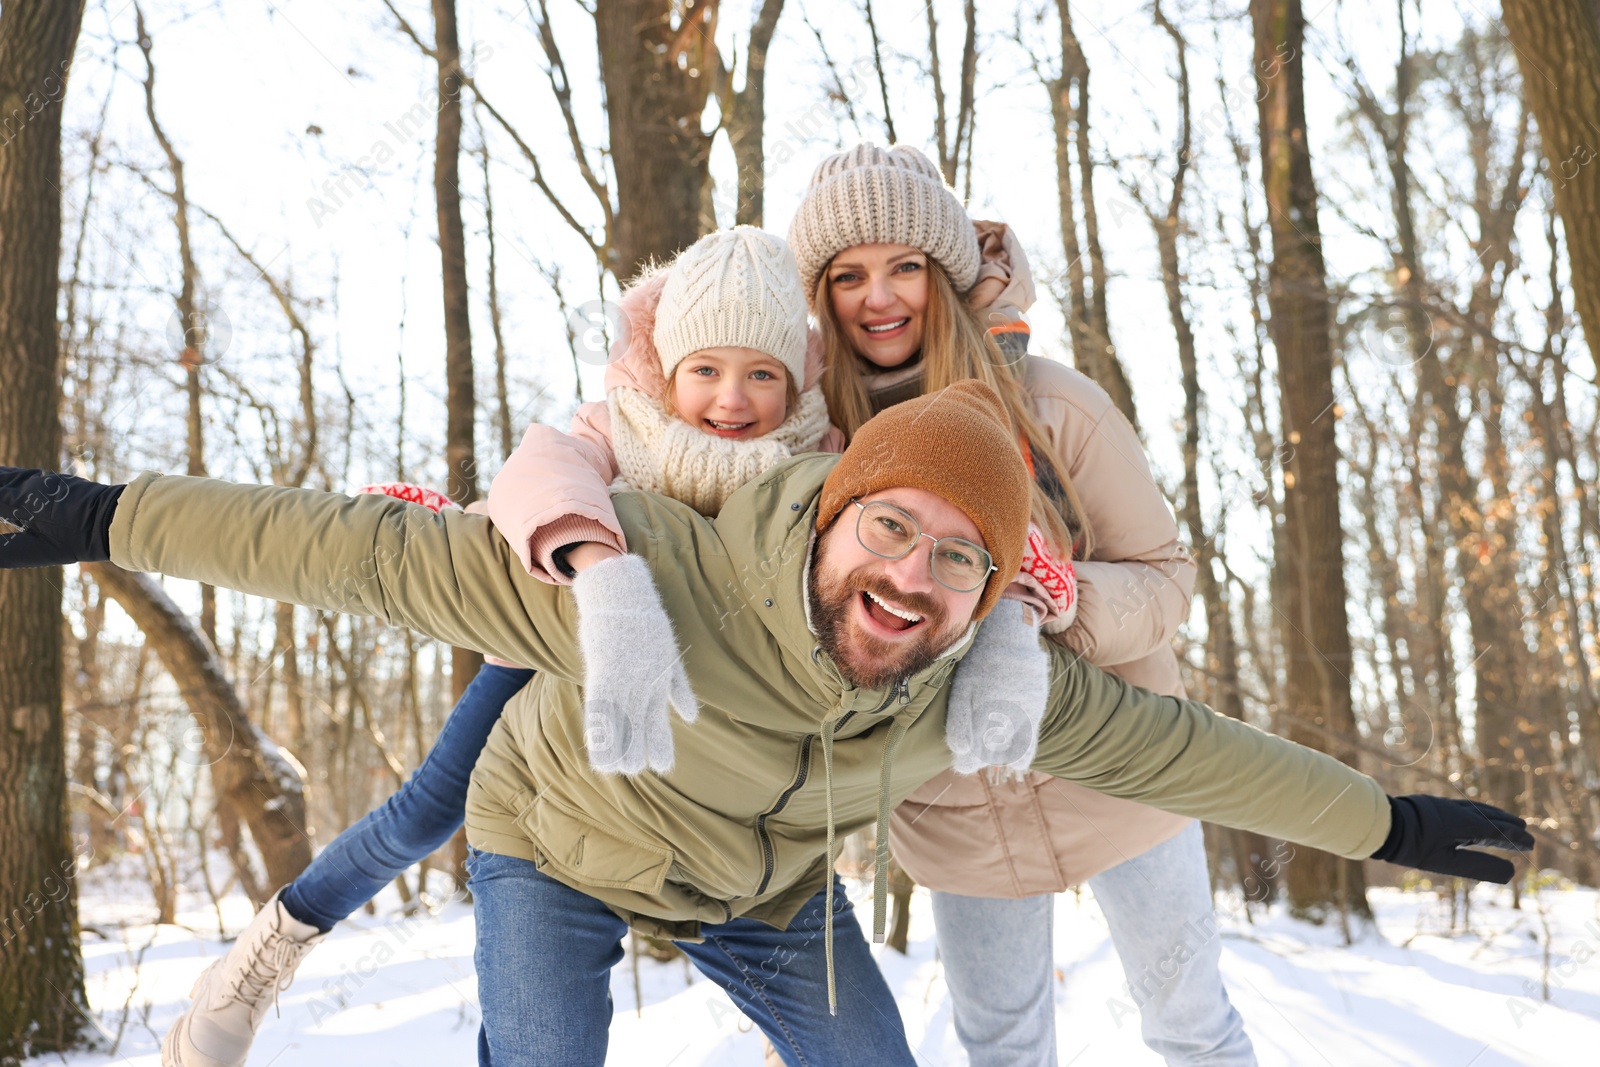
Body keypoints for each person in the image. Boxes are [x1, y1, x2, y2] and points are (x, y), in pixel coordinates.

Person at [0, 380, 1531, 1067]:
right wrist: (99, 513)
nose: (910, 577)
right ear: (834, 511)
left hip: (761, 895)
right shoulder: (653, 574)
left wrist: (1384, 821)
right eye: (893, 530)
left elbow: (1194, 752)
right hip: (565, 852)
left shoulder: (975, 678)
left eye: (955, 560)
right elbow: (350, 550)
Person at [150, 226, 842, 1067]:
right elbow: (543, 478)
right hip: (548, 662)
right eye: (707, 370)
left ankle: (790, 1026)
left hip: (709, 717)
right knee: (428, 811)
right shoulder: (618, 424)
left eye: (759, 374)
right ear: (668, 369)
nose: (732, 398)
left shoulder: (817, 458)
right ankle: (262, 958)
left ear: (795, 377)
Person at [784, 141, 1243, 1064]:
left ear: (943, 274)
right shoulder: (820, 445)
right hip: (957, 805)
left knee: (1193, 1028)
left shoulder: (1053, 408)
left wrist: (1068, 602)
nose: (880, 298)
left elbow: (1166, 575)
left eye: (905, 267)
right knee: (1001, 1049)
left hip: (1125, 765)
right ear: (821, 296)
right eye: (850, 275)